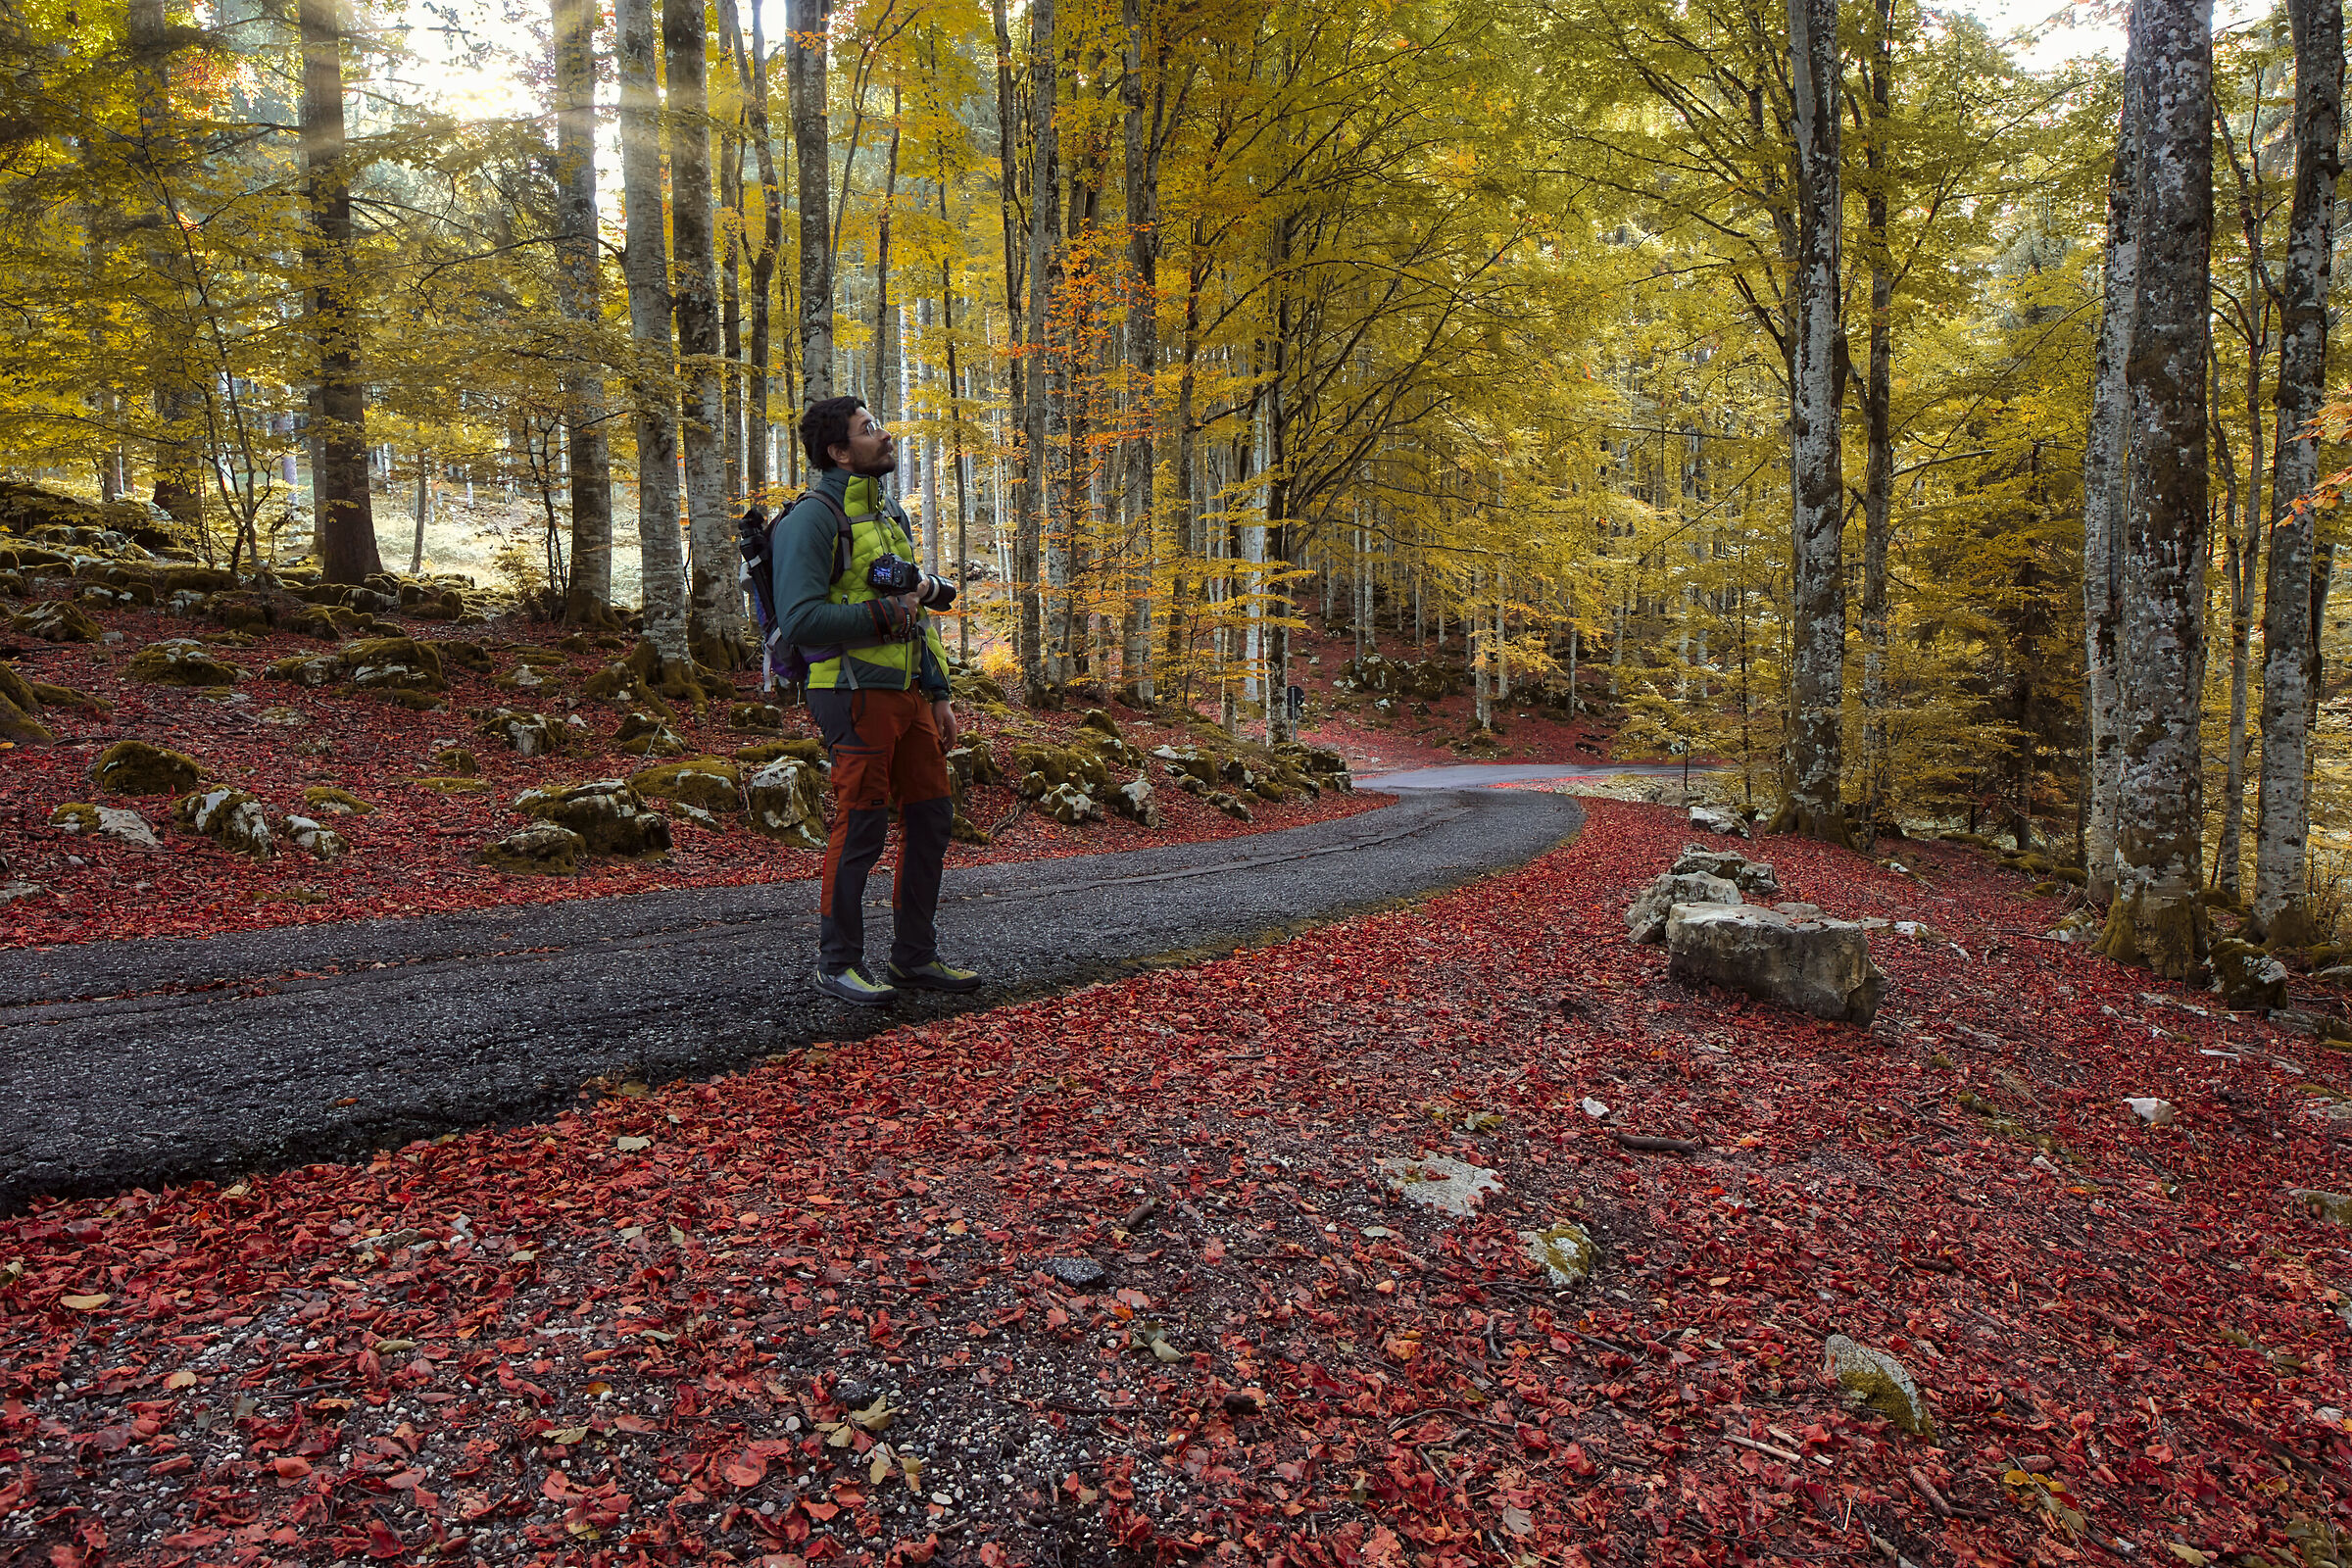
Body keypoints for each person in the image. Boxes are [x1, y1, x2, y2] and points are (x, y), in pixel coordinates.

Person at [772, 396, 983, 1005]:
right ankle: (838, 963)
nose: (885, 435)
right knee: (861, 825)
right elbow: (801, 619)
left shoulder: (890, 513)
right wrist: (888, 611)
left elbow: (919, 615)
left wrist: (939, 693)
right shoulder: (813, 519)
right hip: (850, 691)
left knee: (932, 819)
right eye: (870, 430)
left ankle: (915, 958)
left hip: (910, 691)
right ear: (840, 451)